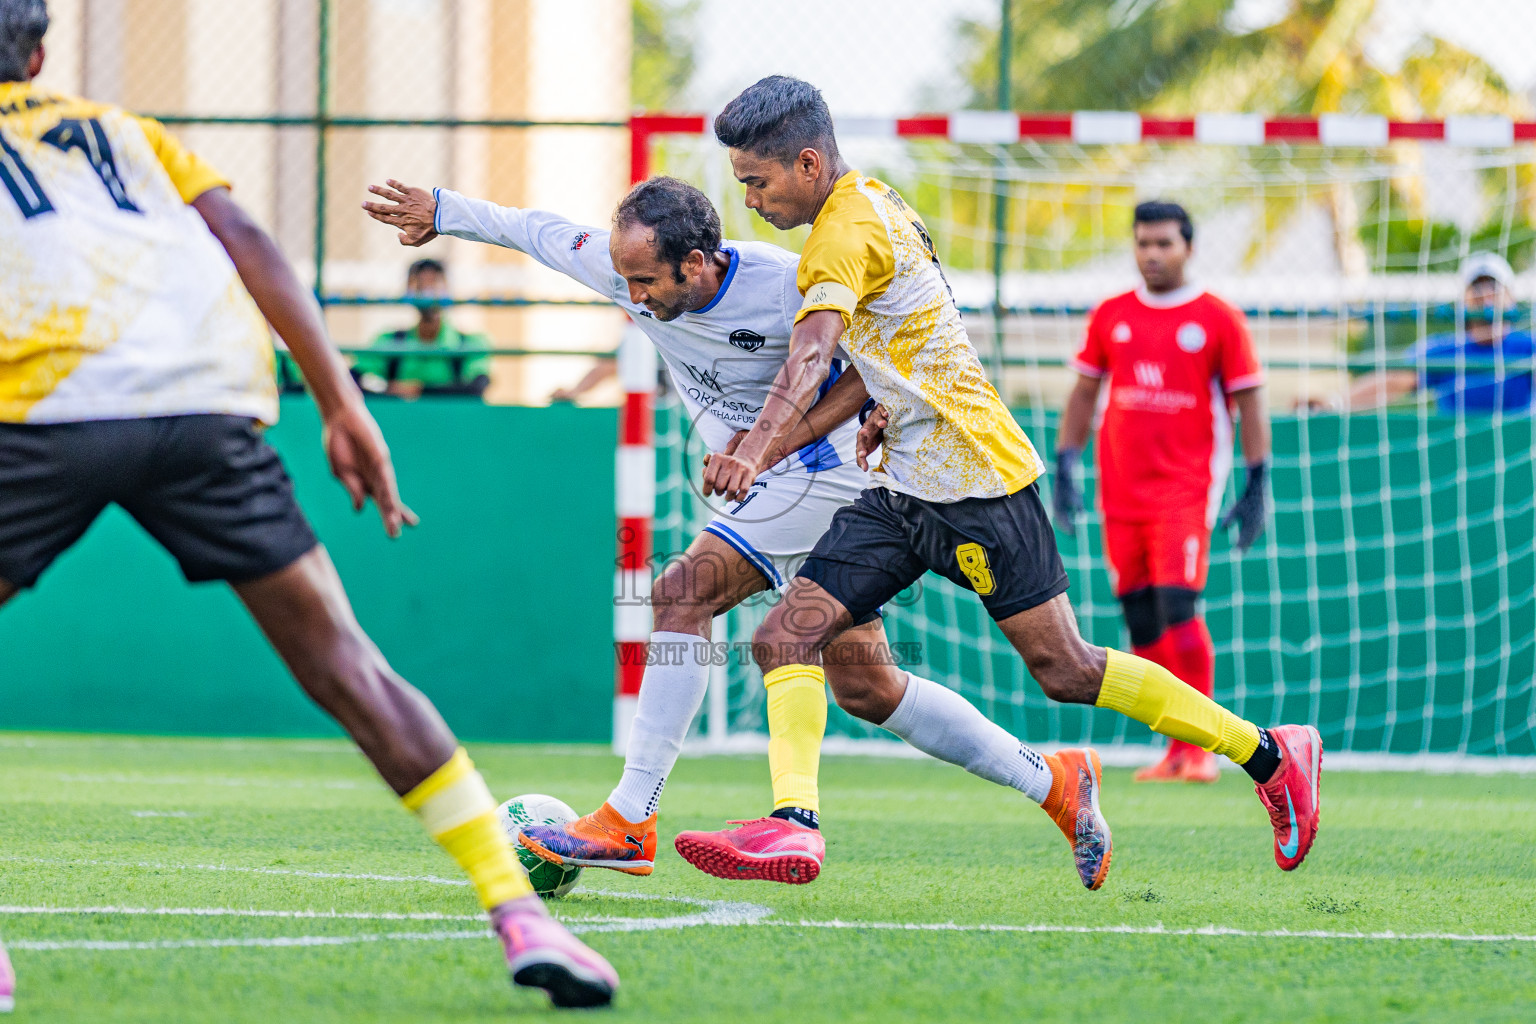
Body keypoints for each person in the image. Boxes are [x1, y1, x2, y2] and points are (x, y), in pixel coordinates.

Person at [0, 2, 613, 1009]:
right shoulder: (123, 131)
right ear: (39, 51)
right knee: (348, 664)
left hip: (42, 409)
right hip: (201, 402)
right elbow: (247, 238)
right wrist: (340, 400)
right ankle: (522, 915)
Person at [362, 174, 1117, 888]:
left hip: (830, 472)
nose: (633, 297)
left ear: (696, 262)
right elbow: (534, 231)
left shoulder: (785, 282)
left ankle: (631, 818)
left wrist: (792, 435)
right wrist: (440, 206)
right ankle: (1052, 780)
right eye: (624, 281)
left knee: (681, 592)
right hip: (772, 479)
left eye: (648, 283)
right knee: (866, 685)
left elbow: (870, 359)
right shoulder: (628, 271)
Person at [688, 75, 1323, 887]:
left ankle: (1269, 754)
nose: (749, 200)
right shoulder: (877, 201)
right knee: (784, 635)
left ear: (807, 162)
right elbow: (870, 371)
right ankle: (792, 825)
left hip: (979, 481)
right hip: (906, 490)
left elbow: (813, 357)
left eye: (756, 182)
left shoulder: (840, 236)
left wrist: (754, 446)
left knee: (1068, 671)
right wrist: (769, 448)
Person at [1053, 200, 1272, 784]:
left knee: (1178, 605)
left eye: (1164, 244)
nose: (1152, 254)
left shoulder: (1219, 319)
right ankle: (1178, 748)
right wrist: (1066, 463)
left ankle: (1205, 750)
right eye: (1143, 243)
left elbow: (1250, 399)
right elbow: (1083, 392)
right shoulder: (1111, 315)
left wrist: (1257, 482)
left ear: (1188, 248)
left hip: (1185, 490)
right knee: (1141, 619)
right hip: (1120, 493)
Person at [1344, 252, 1532, 415]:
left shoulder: (1528, 347)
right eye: (1476, 287)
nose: (1485, 295)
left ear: (1511, 297)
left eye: (1494, 286)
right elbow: (1394, 380)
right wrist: (1337, 403)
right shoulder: (1447, 350)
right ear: (1463, 300)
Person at [353, 258, 492, 399]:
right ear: (409, 291)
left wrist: (417, 391)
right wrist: (386, 388)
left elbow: (477, 386)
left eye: (435, 283)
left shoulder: (470, 343)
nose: (427, 291)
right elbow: (357, 378)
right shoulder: (389, 341)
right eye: (420, 284)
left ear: (448, 289)